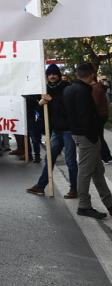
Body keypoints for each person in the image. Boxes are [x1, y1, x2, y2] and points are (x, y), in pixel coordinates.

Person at [65, 63, 112, 219]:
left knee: (98, 171)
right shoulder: (83, 91)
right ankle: (84, 206)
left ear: (77, 74)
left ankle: (110, 203)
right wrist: (93, 136)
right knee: (86, 172)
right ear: (92, 75)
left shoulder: (70, 89)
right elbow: (86, 117)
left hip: (78, 134)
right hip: (86, 136)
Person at [26, 64, 76, 197]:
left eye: (54, 74)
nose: (52, 76)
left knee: (70, 160)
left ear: (59, 75)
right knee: (49, 158)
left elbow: (66, 108)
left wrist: (51, 100)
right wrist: (40, 104)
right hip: (55, 130)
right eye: (49, 74)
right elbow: (43, 112)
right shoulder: (45, 89)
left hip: (67, 129)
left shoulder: (66, 88)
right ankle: (41, 186)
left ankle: (74, 189)